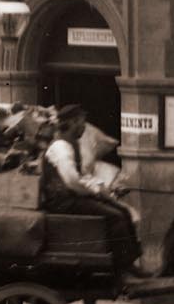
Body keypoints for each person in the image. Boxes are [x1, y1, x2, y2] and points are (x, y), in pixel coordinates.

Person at [41, 105, 149, 277]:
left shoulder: (71, 145)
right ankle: (122, 267)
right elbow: (72, 181)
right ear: (72, 122)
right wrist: (96, 192)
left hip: (71, 197)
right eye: (81, 123)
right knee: (116, 216)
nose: (84, 127)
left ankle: (128, 264)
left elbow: (81, 175)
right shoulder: (61, 147)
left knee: (122, 211)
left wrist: (102, 188)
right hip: (63, 202)